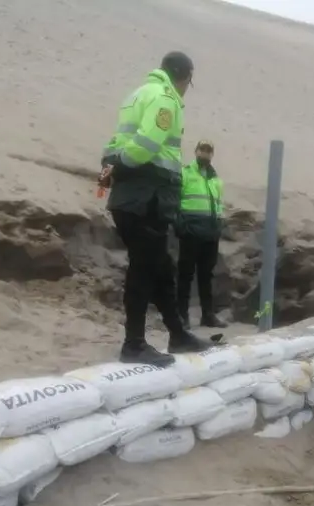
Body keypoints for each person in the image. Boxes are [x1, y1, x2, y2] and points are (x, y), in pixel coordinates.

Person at [98, 51, 213, 367]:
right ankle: (133, 344)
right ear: (185, 76)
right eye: (190, 81)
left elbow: (117, 140)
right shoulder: (166, 98)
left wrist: (109, 165)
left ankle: (178, 334)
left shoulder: (137, 94)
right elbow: (148, 142)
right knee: (144, 269)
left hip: (131, 196)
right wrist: (121, 166)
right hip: (147, 196)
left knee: (161, 267)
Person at [176, 140, 228, 328]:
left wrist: (218, 226)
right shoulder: (185, 172)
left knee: (207, 275)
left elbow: (217, 205)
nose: (205, 154)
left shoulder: (215, 179)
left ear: (212, 154)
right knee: (185, 274)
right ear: (196, 151)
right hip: (190, 231)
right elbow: (176, 199)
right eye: (202, 150)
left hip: (210, 233)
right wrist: (180, 225)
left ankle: (208, 315)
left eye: (209, 151)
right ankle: (182, 315)